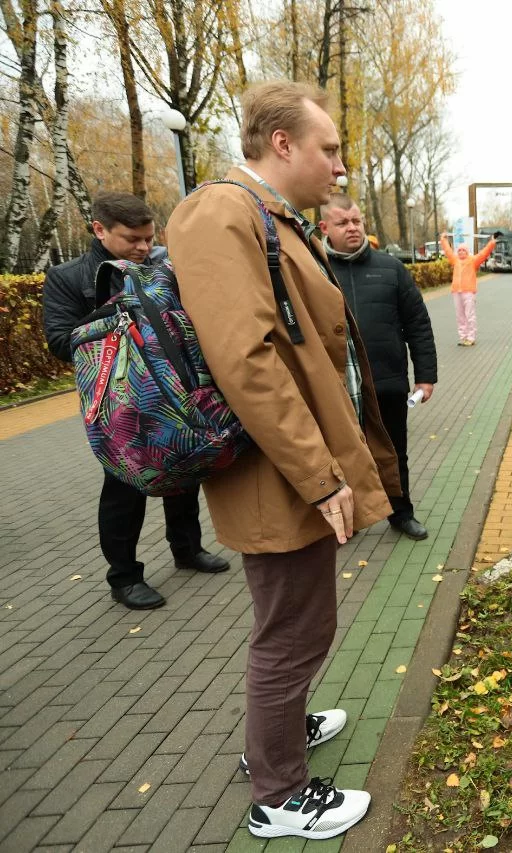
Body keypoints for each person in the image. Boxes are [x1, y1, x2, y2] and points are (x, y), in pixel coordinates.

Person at [168, 81, 402, 841]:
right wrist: (321, 472)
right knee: (293, 630)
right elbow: (249, 361)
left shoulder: (265, 215)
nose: (339, 165)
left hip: (290, 460)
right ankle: (278, 792)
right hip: (278, 468)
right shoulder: (222, 212)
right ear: (282, 145)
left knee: (294, 619)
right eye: (328, 148)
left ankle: (281, 733)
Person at [42, 191, 230, 611]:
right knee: (124, 485)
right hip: (118, 402)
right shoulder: (69, 277)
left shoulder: (160, 270)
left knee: (184, 463)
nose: (144, 248)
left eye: (148, 238)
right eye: (133, 239)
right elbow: (59, 340)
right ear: (99, 230)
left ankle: (187, 549)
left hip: (173, 387)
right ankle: (124, 577)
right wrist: (118, 319)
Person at [320, 193, 437, 541]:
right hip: (335, 386)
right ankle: (347, 520)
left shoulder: (390, 268)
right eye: (343, 223)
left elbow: (418, 323)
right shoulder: (314, 270)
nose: (352, 228)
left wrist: (426, 376)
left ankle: (401, 513)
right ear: (325, 227)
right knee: (340, 456)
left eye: (356, 221)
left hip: (386, 382)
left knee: (393, 453)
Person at [440, 231, 496, 346]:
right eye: (459, 250)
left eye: (463, 250)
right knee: (460, 316)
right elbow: (448, 251)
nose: (461, 252)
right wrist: (443, 239)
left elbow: (484, 253)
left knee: (469, 315)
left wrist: (492, 242)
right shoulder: (455, 260)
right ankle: (463, 337)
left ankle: (471, 337)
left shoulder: (473, 261)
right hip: (456, 292)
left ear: (467, 251)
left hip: (468, 292)